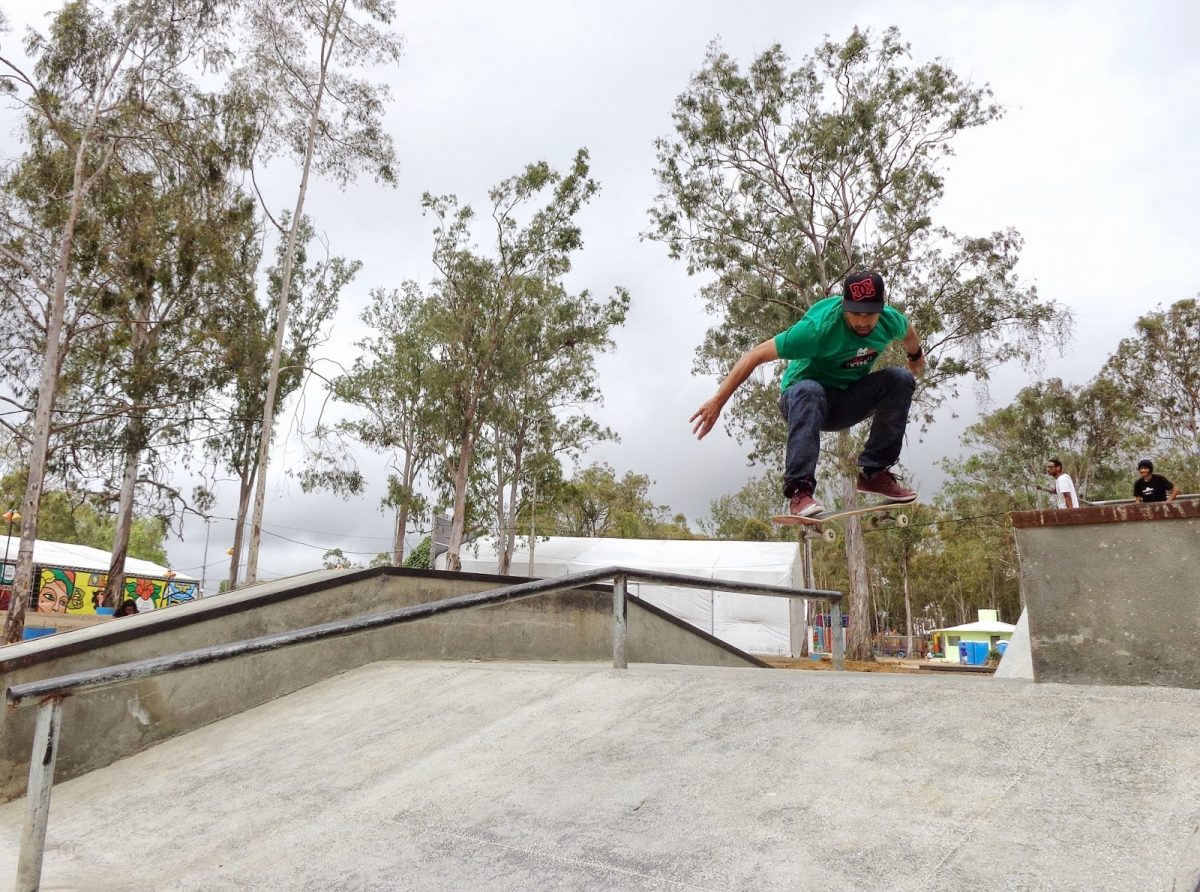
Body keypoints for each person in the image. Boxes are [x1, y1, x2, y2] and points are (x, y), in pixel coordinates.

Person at [691, 271, 924, 517]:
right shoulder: (816, 328)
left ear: (881, 309)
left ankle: (874, 474)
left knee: (900, 378)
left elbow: (909, 333)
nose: (863, 322)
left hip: (846, 401)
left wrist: (915, 355)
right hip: (801, 398)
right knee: (810, 389)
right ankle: (799, 491)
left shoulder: (890, 320)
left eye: (870, 315)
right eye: (856, 314)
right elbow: (755, 355)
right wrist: (718, 400)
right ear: (844, 307)